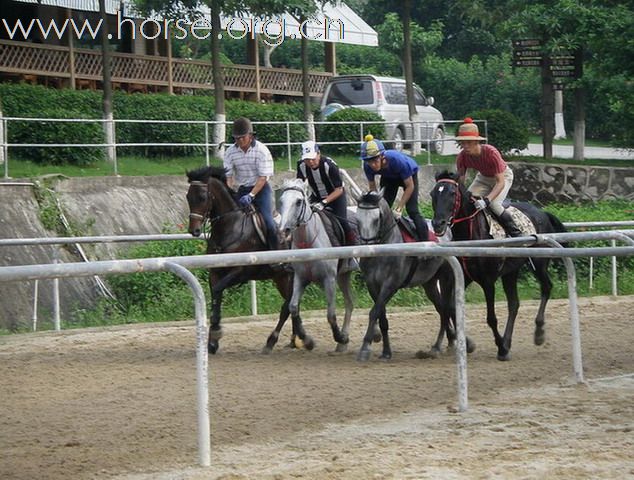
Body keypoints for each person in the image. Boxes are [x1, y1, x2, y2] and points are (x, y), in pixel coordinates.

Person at [454, 117, 522, 237]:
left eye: (468, 143)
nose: (465, 146)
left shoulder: (491, 153)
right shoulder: (462, 157)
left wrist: (487, 200)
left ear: (477, 142)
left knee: (494, 204)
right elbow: (460, 182)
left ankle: (515, 233)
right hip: (483, 177)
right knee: (467, 202)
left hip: (502, 176)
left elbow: (500, 182)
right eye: (463, 143)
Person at [223, 117, 279, 250]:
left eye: (242, 137)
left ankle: (277, 254)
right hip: (242, 189)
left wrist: (251, 195)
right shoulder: (230, 152)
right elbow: (229, 176)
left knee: (269, 223)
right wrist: (229, 192)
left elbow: (263, 177)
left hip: (261, 189)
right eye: (236, 138)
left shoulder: (262, 151)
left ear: (250, 136)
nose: (239, 140)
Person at [361, 134, 429, 241]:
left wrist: (399, 207)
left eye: (375, 161)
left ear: (382, 156)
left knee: (412, 210)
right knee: (382, 209)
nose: (373, 165)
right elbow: (373, 189)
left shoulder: (396, 160)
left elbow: (410, 186)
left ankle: (426, 244)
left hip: (408, 177)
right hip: (389, 179)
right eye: (369, 162)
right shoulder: (367, 166)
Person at [297, 140, 357, 246]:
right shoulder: (301, 166)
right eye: (307, 159)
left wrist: (324, 202)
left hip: (336, 197)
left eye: (312, 158)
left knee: (341, 220)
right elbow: (299, 183)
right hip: (316, 197)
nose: (310, 162)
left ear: (318, 154)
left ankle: (352, 243)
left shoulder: (329, 165)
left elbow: (339, 189)